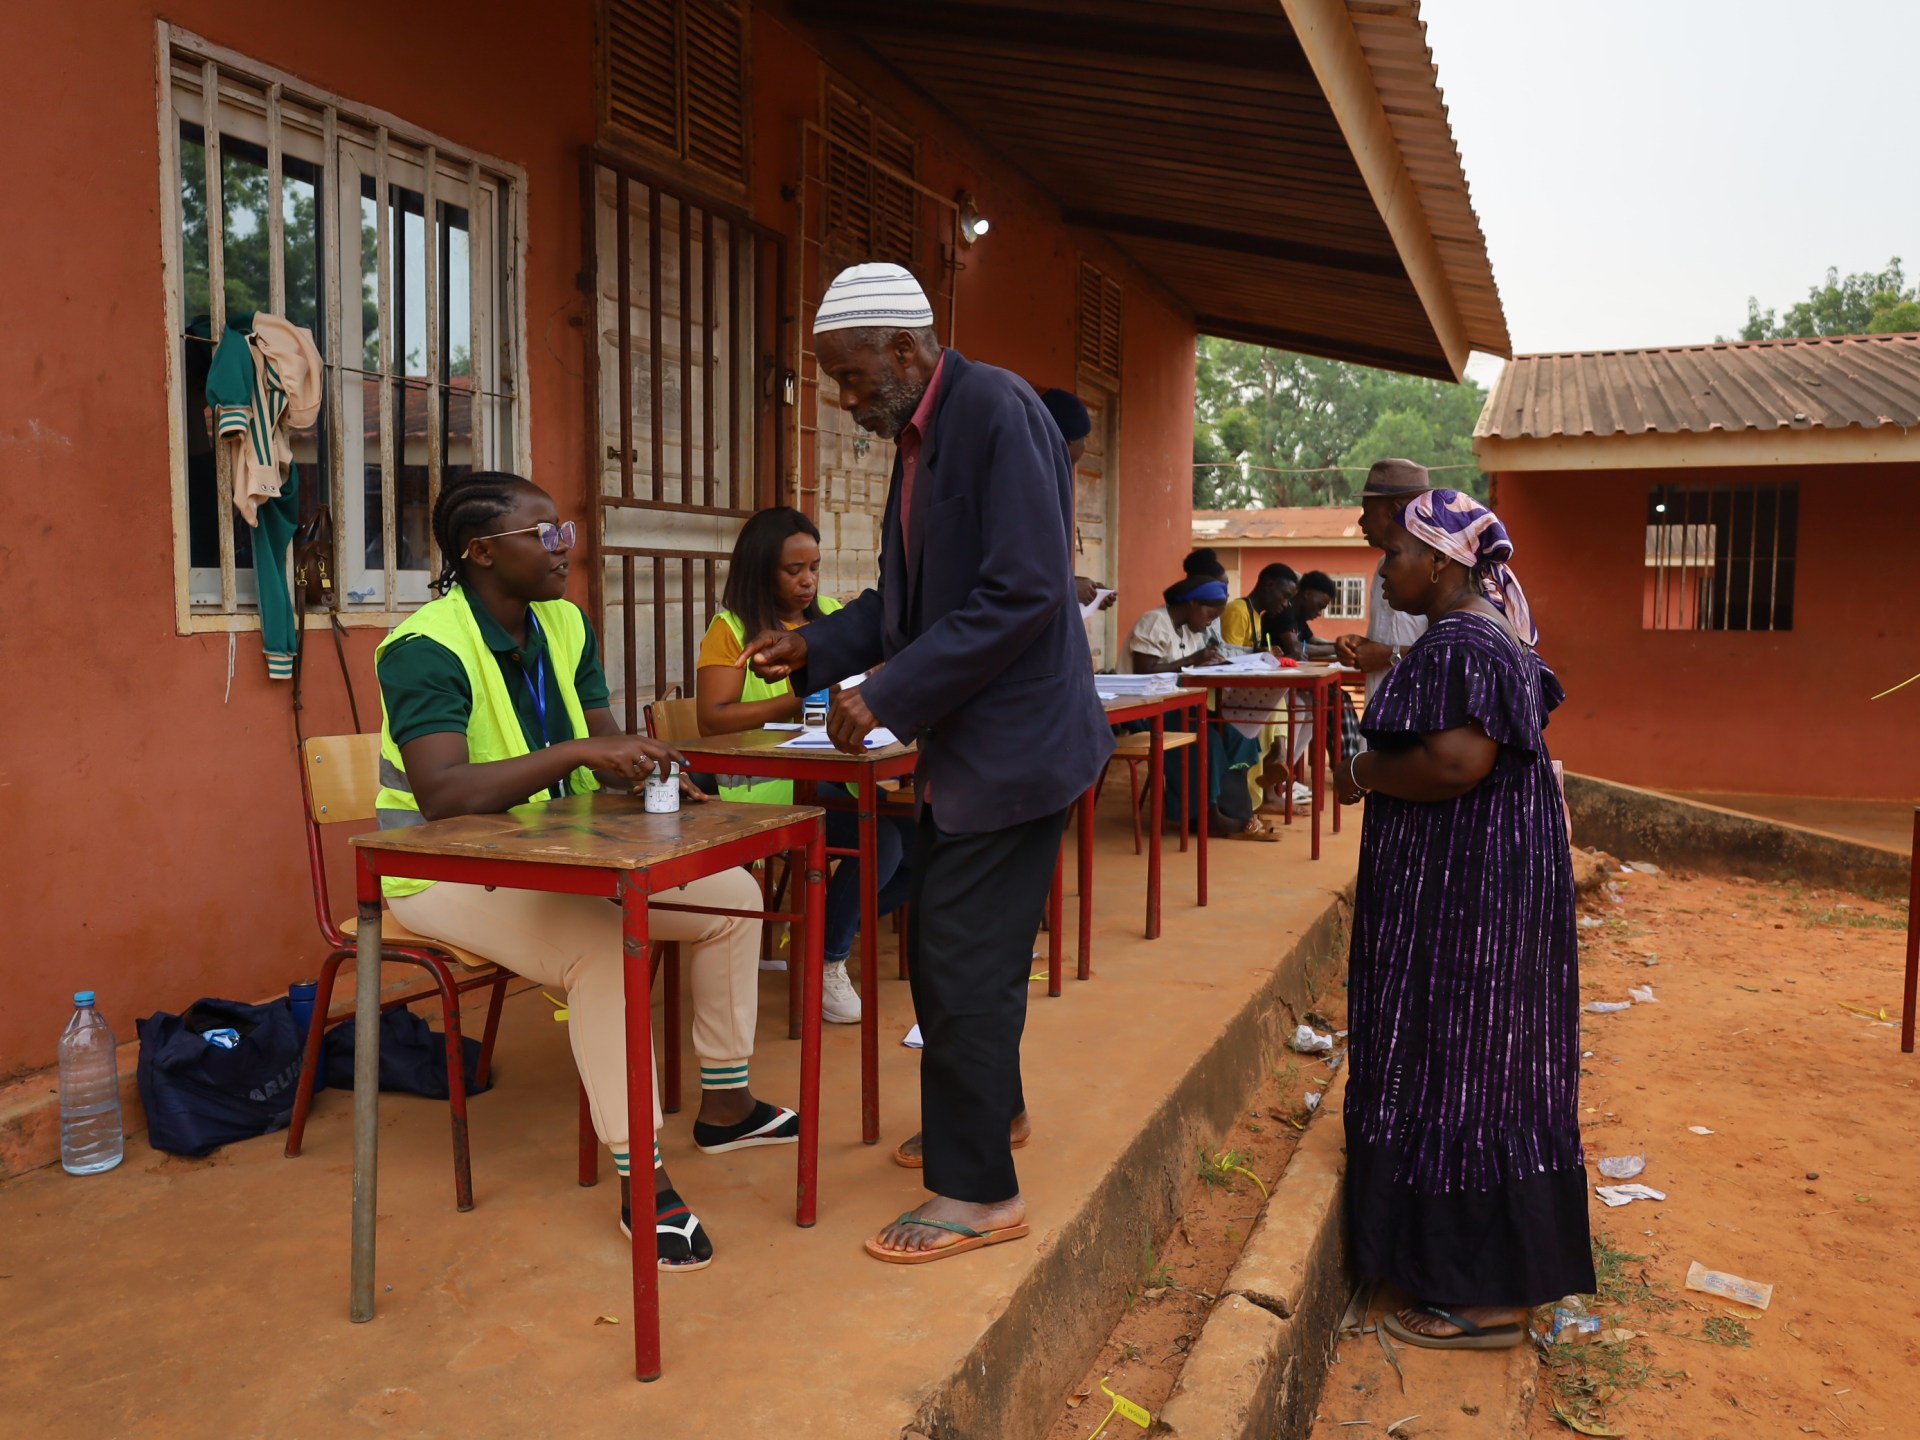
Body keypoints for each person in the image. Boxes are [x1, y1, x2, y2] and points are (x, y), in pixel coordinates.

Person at [738, 263, 1113, 1265]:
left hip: (1017, 750)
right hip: (974, 750)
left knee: (958, 957)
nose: (844, 400)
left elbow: (1024, 591)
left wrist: (890, 693)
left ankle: (979, 1191)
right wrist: (815, 646)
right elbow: (903, 606)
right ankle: (994, 1116)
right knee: (962, 952)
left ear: (905, 350)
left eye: (852, 378)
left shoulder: (995, 412)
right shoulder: (923, 437)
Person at [374, 471, 799, 1272]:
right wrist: (577, 753)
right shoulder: (425, 648)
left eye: (563, 529)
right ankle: (644, 1180)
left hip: (554, 857)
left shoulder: (564, 624)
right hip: (442, 871)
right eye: (544, 534)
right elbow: (442, 795)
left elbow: (604, 745)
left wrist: (646, 769)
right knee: (604, 945)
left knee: (732, 897)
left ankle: (728, 1104)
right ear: (482, 552)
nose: (564, 547)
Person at [1334, 488, 1592, 1349]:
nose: (1384, 571)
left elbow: (1453, 762)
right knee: (1476, 1062)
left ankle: (1486, 1297)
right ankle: (1462, 1270)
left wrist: (1361, 774)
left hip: (1471, 900)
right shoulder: (1485, 634)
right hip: (1478, 889)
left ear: (1440, 562)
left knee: (1472, 1064)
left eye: (1394, 555)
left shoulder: (1465, 643)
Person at [695, 505, 913, 1026]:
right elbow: (712, 719)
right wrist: (801, 694)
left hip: (833, 775)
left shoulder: (832, 617)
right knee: (880, 841)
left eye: (814, 567)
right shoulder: (732, 628)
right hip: (763, 787)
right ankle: (828, 960)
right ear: (760, 570)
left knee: (922, 840)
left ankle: (821, 933)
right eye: (793, 570)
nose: (808, 581)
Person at [1125, 577, 1278, 841]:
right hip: (1147, 710)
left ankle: (1237, 811)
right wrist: (1194, 659)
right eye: (1210, 615)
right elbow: (1144, 671)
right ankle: (1205, 814)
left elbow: (1191, 668)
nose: (1210, 623)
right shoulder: (1154, 622)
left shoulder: (1189, 631)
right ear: (1193, 603)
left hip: (1179, 706)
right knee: (1207, 740)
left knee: (1237, 734)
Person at [1334, 458, 1432, 703]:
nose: (1361, 521)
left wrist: (1389, 655)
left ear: (1394, 511)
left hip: (1418, 715)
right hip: (1380, 710)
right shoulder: (1382, 566)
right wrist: (1361, 647)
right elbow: (1392, 640)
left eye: (1367, 512)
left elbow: (1452, 654)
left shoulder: (1436, 567)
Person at [1218, 563, 1306, 813]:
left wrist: (1266, 654)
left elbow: (1247, 654)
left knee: (1278, 697)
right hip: (1226, 695)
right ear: (1269, 586)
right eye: (1285, 596)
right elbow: (1229, 659)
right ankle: (1276, 762)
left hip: (1245, 691)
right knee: (1271, 704)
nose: (1286, 604)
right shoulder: (1238, 611)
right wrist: (1259, 655)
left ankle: (1278, 759)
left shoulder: (1257, 616)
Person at [1036, 387, 1117, 616]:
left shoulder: (1053, 479)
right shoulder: (1035, 484)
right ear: (1070, 440)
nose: (1085, 446)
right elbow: (1020, 569)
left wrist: (1085, 591)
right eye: (1085, 438)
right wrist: (1070, 588)